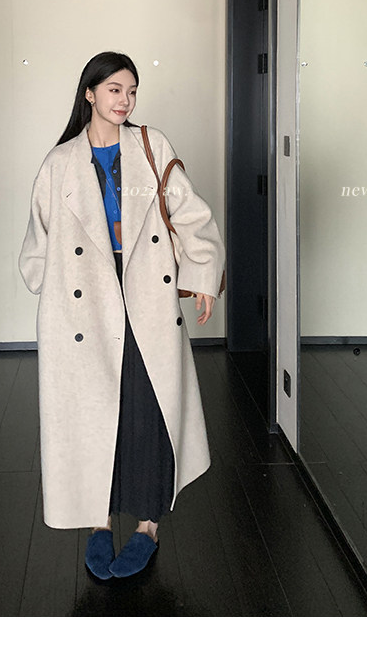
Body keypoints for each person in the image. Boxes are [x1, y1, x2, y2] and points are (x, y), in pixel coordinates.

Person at [18, 51, 225, 580]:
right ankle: (99, 521)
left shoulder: (151, 145)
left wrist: (203, 272)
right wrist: (48, 286)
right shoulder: (60, 162)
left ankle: (148, 526)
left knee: (148, 407)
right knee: (94, 413)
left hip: (145, 293)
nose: (125, 100)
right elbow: (38, 238)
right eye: (114, 89)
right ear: (89, 93)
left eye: (131, 91)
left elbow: (189, 212)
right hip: (85, 301)